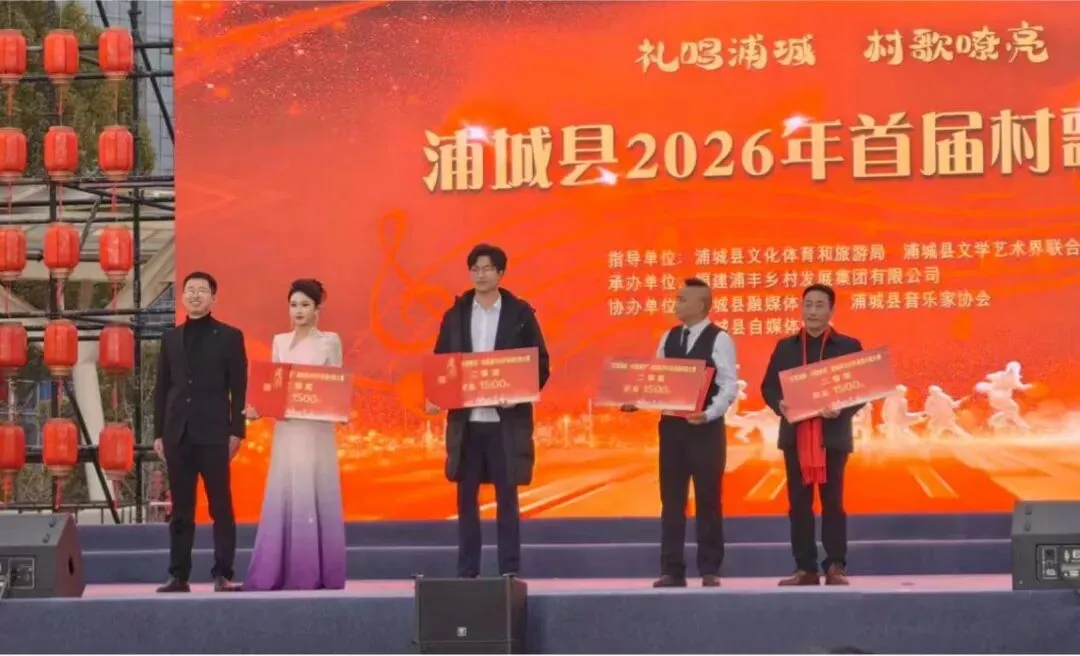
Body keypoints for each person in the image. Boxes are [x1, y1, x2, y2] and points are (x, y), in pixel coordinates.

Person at [428, 244, 550, 578]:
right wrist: (436, 394)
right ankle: (467, 571)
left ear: (500, 273)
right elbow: (441, 361)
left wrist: (520, 393)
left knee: (507, 499)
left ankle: (509, 571)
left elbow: (540, 362)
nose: (480, 275)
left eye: (487, 269)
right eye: (474, 269)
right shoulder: (455, 315)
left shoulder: (520, 314)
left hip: (505, 422)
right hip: (467, 422)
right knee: (466, 499)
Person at [625, 278, 738, 588]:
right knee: (671, 500)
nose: (676, 304)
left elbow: (729, 385)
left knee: (708, 499)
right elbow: (658, 380)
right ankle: (672, 570)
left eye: (682, 299)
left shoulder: (720, 339)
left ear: (701, 305)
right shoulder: (670, 336)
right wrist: (638, 400)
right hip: (672, 429)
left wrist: (709, 413)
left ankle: (710, 569)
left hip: (705, 430)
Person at [244, 279, 347, 590]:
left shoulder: (330, 341)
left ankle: (315, 572)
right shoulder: (280, 341)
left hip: (316, 428)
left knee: (314, 490)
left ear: (317, 308)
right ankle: (278, 569)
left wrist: (339, 409)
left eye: (305, 305)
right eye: (293, 305)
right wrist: (258, 408)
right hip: (288, 427)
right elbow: (273, 385)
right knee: (286, 490)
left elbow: (335, 383)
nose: (298, 311)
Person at [761, 283, 863, 586]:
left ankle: (835, 565)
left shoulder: (848, 346)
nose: (813, 311)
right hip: (795, 436)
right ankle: (805, 568)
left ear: (831, 310)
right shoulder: (786, 347)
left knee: (833, 503)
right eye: (808, 305)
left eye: (819, 305)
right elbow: (769, 386)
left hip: (832, 437)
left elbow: (861, 389)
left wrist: (842, 409)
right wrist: (779, 404)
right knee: (799, 504)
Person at [154, 271, 247, 593]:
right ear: (182, 297)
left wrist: (237, 431)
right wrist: (158, 433)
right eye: (190, 290)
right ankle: (178, 576)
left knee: (220, 506)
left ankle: (223, 573)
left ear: (213, 298)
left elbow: (239, 388)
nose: (195, 295)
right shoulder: (170, 338)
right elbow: (162, 389)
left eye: (202, 290)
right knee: (181, 509)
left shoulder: (230, 336)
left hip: (214, 433)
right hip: (177, 433)